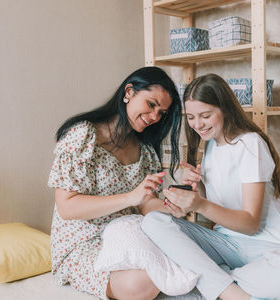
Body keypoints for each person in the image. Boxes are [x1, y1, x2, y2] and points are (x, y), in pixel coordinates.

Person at [141, 74, 280, 300]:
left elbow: (250, 224)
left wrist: (199, 204)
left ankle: (211, 282)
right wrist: (195, 187)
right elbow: (216, 207)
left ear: (225, 109)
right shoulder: (210, 147)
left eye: (206, 115)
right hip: (226, 244)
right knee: (153, 221)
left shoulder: (250, 143)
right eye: (191, 117)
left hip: (269, 246)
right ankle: (230, 290)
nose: (197, 124)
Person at [47, 66, 183, 300]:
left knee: (188, 254)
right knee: (143, 284)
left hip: (128, 235)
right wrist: (131, 197)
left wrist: (180, 203)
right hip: (84, 242)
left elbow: (145, 205)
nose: (154, 117)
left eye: (162, 113)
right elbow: (67, 208)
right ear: (129, 92)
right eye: (151, 104)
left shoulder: (145, 148)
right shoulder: (84, 136)